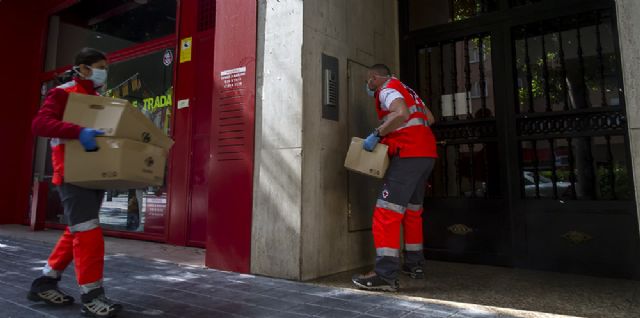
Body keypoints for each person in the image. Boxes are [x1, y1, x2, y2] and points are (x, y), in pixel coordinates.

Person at [28, 48, 122, 317]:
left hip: (93, 173)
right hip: (71, 174)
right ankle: (92, 297)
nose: (104, 71)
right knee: (88, 233)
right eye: (100, 66)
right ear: (83, 68)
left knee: (76, 230)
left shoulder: (99, 98)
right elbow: (40, 124)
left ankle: (44, 283)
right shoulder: (63, 92)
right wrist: (78, 132)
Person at [352, 64, 438, 292]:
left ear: (374, 77)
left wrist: (378, 133)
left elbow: (401, 114)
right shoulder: (408, 90)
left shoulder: (387, 90)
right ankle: (414, 265)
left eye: (368, 82)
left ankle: (385, 275)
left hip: (409, 155)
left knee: (386, 212)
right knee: (412, 211)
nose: (368, 86)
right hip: (426, 154)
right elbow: (429, 118)